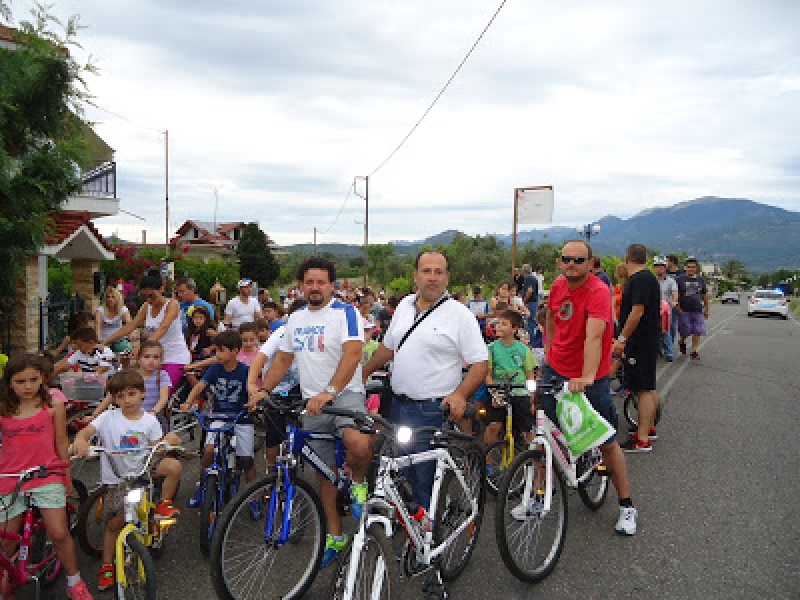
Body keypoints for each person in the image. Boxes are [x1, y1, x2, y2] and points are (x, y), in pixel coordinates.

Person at [250, 257, 372, 568]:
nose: (315, 287)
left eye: (321, 282)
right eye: (309, 282)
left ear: (332, 285)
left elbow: (354, 353)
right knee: (324, 472)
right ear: (301, 286)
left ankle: (358, 479)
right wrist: (263, 390)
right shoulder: (296, 319)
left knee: (358, 443)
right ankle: (335, 535)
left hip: (345, 395)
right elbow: (282, 361)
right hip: (311, 403)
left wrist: (329, 392)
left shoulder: (346, 313)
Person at [363, 250, 488, 510]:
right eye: (426, 271)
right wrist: (363, 373)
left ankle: (428, 543)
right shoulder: (404, 306)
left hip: (431, 411)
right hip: (396, 406)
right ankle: (412, 528)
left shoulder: (459, 315)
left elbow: (480, 364)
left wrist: (459, 395)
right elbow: (388, 348)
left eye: (438, 272)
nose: (432, 278)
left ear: (447, 278)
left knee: (423, 479)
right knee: (398, 474)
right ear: (416, 275)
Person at [544, 240, 638, 535]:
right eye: (566, 259)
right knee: (542, 434)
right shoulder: (558, 286)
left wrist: (586, 376)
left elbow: (594, 337)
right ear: (560, 262)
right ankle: (536, 496)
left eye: (578, 260)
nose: (571, 264)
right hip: (556, 368)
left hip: (589, 377)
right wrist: (548, 350)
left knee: (606, 442)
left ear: (590, 262)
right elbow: (550, 317)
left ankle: (627, 506)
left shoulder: (598, 291)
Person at [72, 369, 181, 592]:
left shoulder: (150, 421)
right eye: (120, 396)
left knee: (174, 466)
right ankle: (106, 566)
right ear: (114, 398)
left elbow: (157, 448)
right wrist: (81, 441)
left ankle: (164, 504)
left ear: (142, 394)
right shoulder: (107, 417)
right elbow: (86, 432)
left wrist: (167, 441)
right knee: (114, 524)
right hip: (117, 479)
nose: (126, 400)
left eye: (131, 394)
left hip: (142, 473)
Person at [0, 354, 93, 599]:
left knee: (59, 532)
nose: (28, 387)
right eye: (20, 382)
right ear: (9, 382)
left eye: (34, 379)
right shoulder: (3, 407)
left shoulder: (53, 404)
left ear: (43, 378)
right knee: (7, 542)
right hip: (10, 476)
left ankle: (75, 581)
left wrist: (66, 473)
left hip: (46, 472)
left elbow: (62, 440)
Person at [180, 330, 259, 517]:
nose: (217, 355)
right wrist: (188, 402)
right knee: (208, 451)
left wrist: (253, 402)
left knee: (246, 460)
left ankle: (254, 497)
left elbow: (252, 389)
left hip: (241, 418)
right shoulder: (215, 368)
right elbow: (200, 386)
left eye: (221, 350)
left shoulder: (245, 371)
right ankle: (202, 487)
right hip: (219, 417)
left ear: (234, 351)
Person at [104, 270, 191, 395]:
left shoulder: (172, 304)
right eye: (145, 296)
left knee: (160, 394)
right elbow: (130, 326)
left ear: (161, 289)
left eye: (152, 296)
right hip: (153, 357)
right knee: (139, 391)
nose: (149, 300)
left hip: (174, 357)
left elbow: (163, 327)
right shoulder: (146, 306)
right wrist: (104, 342)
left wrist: (142, 348)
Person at [613, 244, 662, 453]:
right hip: (649, 340)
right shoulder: (649, 277)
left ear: (626, 258)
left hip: (640, 341)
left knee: (642, 389)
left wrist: (622, 338)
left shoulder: (640, 279)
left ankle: (642, 438)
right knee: (649, 387)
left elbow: (637, 311)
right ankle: (648, 428)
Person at [246, 299, 306, 469]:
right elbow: (260, 358)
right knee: (273, 435)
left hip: (301, 390)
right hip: (276, 390)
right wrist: (252, 385)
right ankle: (271, 471)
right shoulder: (282, 332)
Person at [483, 310, 537, 450]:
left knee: (527, 430)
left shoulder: (524, 350)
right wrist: (495, 393)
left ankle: (535, 463)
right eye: (498, 324)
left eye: (504, 324)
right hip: (499, 393)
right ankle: (487, 463)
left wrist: (531, 398)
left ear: (514, 329)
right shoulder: (491, 348)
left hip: (520, 394)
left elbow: (530, 376)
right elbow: (487, 374)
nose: (498, 327)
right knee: (493, 427)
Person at [90, 340, 172, 428]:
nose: (151, 361)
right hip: (130, 417)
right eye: (146, 357)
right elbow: (111, 396)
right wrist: (95, 414)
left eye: (156, 357)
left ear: (161, 360)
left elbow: (164, 398)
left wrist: (153, 412)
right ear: (139, 359)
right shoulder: (130, 376)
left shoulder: (162, 375)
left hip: (153, 417)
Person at [675, 258, 709, 360]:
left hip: (697, 309)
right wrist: (678, 308)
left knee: (697, 331)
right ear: (685, 268)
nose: (691, 269)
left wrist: (707, 309)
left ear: (696, 268)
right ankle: (681, 341)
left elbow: (704, 295)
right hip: (684, 310)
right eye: (689, 267)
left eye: (693, 267)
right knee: (685, 331)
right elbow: (675, 295)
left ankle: (694, 351)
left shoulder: (701, 280)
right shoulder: (679, 280)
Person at [653, 257, 678, 361]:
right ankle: (656, 350)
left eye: (661, 267)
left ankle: (669, 352)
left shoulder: (670, 281)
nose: (659, 269)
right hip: (654, 308)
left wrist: (674, 300)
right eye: (657, 267)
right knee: (654, 330)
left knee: (667, 329)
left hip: (667, 309)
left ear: (665, 268)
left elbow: (675, 292)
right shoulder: (652, 280)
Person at [96, 285, 132, 354]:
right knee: (102, 354)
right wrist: (99, 340)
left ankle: (125, 364)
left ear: (117, 299)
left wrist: (129, 335)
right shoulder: (100, 310)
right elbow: (98, 325)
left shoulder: (123, 309)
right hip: (104, 339)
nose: (110, 299)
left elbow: (129, 324)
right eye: (108, 297)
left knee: (127, 351)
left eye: (113, 297)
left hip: (119, 338)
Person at [665, 254, 684, 351]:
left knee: (672, 325)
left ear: (672, 261)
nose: (666, 263)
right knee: (664, 325)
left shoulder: (681, 273)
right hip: (665, 302)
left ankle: (671, 344)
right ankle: (665, 345)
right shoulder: (665, 272)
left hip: (676, 303)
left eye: (667, 261)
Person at [520, 264, 540, 340]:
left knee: (530, 323)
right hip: (534, 302)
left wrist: (524, 301)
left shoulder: (528, 278)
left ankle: (532, 340)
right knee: (533, 322)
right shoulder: (534, 278)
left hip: (530, 303)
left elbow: (530, 290)